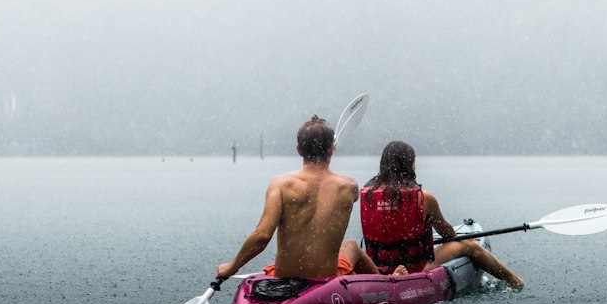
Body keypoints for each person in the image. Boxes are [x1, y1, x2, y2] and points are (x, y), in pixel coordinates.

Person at [215, 114, 381, 282]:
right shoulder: (349, 187)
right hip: (324, 279)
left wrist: (232, 267)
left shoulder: (280, 185)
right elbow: (348, 199)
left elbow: (262, 235)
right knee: (351, 245)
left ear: (299, 150)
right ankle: (385, 285)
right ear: (331, 148)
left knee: (346, 245)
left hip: (285, 277)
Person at [359, 140, 525, 287]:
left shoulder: (366, 195)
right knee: (470, 245)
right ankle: (514, 280)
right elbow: (448, 234)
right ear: (410, 164)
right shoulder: (423, 198)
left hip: (377, 266)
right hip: (415, 267)